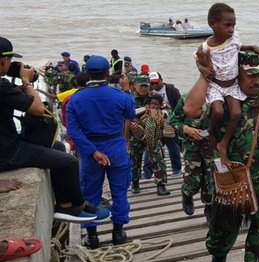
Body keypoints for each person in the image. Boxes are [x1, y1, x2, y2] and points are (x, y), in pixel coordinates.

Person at [184, 51, 259, 262]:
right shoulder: (218, 102)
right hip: (229, 184)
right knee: (221, 237)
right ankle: (219, 259)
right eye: (250, 75)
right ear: (236, 75)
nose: (257, 81)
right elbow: (191, 116)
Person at [0, 36, 108, 223]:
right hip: (7, 151)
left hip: (8, 141)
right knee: (69, 162)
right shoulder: (2, 86)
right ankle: (78, 206)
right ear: (3, 60)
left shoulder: (4, 86)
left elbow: (13, 99)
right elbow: (38, 109)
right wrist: (26, 82)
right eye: (10, 60)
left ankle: (65, 204)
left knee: (58, 147)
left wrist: (18, 84)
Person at [67, 55, 136, 249]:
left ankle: (92, 237)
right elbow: (130, 115)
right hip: (116, 146)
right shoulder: (121, 96)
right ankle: (118, 233)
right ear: (107, 74)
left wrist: (92, 151)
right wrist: (126, 89)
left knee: (90, 194)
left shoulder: (75, 99)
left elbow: (73, 130)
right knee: (120, 191)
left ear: (87, 73)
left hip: (91, 151)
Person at [192, 2, 259, 167]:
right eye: (227, 25)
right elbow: (199, 61)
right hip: (216, 85)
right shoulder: (205, 47)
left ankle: (223, 143)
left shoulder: (234, 38)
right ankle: (211, 132)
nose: (231, 29)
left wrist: (253, 46)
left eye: (233, 25)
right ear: (213, 24)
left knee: (236, 114)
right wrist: (202, 70)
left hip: (232, 84)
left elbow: (240, 47)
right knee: (218, 111)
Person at [169, 94, 213, 217]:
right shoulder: (186, 98)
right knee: (193, 181)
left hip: (214, 149)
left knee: (212, 180)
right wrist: (186, 129)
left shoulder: (222, 98)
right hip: (192, 148)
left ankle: (210, 208)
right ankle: (187, 194)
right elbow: (174, 120)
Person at [128, 76, 170, 196]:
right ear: (135, 85)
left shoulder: (154, 96)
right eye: (141, 86)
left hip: (153, 132)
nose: (143, 88)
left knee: (158, 158)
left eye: (146, 86)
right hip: (135, 133)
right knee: (135, 159)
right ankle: (135, 182)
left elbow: (167, 110)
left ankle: (161, 185)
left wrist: (161, 115)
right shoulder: (129, 97)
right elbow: (122, 114)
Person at [143, 72, 182, 178]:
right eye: (151, 83)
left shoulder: (172, 90)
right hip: (154, 127)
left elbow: (179, 106)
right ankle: (147, 173)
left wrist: (178, 123)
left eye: (155, 82)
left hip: (169, 125)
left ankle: (176, 169)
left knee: (173, 148)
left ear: (161, 80)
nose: (154, 84)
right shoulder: (149, 92)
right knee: (149, 149)